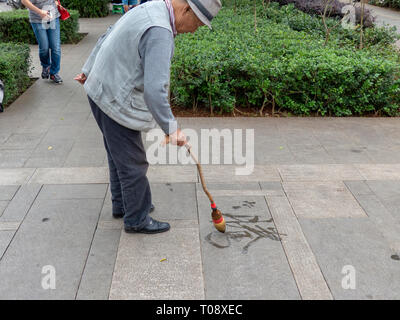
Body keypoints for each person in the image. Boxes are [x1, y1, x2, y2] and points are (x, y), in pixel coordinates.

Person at [74, 0, 222, 234]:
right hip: (113, 97)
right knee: (134, 161)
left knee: (119, 155)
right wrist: (172, 129)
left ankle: (123, 205)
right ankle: (137, 218)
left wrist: (88, 69)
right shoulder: (160, 32)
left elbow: (107, 35)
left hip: (101, 88)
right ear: (186, 10)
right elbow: (155, 90)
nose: (195, 30)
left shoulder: (151, 7)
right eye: (198, 24)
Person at [21, 0, 63, 84]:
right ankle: (46, 66)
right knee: (44, 47)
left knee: (56, 47)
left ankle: (54, 73)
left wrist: (56, 2)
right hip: (37, 19)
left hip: (52, 17)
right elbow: (24, 1)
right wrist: (40, 12)